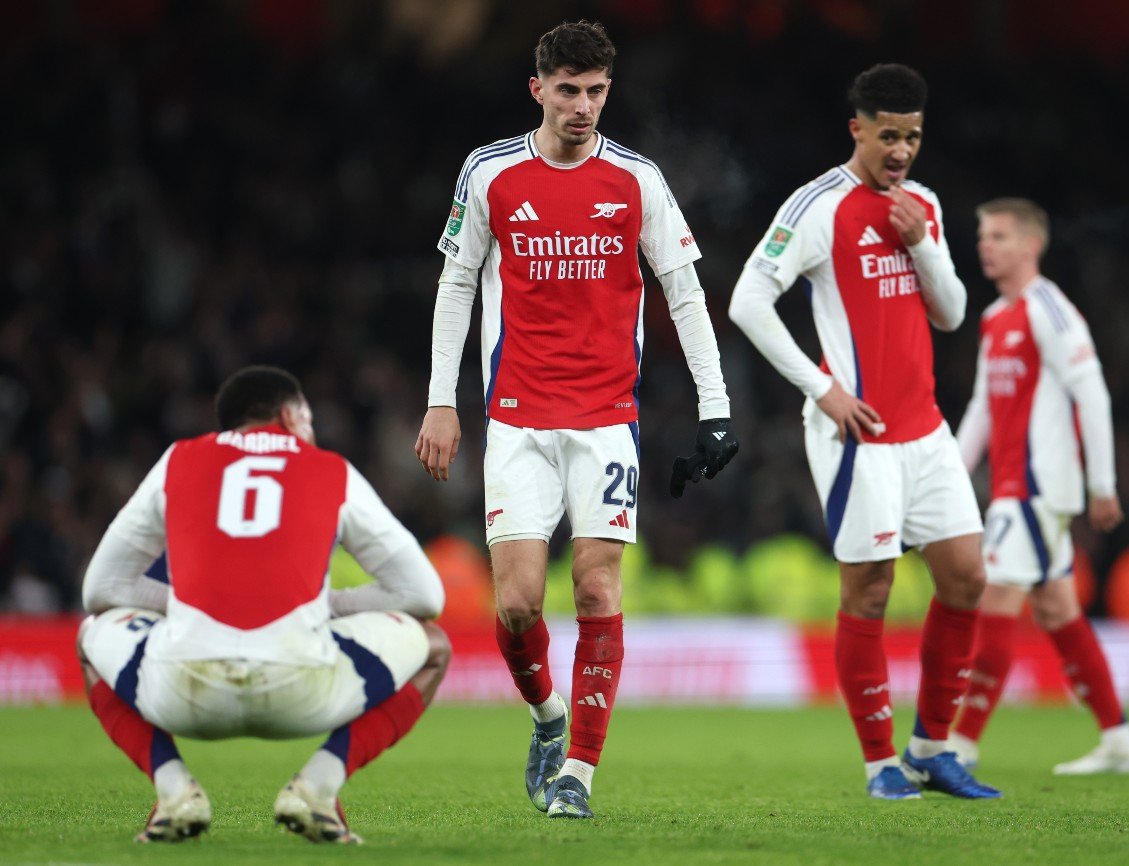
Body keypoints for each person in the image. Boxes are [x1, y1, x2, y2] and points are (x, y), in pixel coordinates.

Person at [414, 20, 738, 819]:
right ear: (538, 90)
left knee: (596, 587)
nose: (583, 106)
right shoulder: (491, 172)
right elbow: (457, 284)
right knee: (518, 605)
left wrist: (716, 406)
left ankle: (579, 776)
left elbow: (684, 291)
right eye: (568, 90)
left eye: (595, 91)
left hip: (605, 418)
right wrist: (441, 399)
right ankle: (547, 717)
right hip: (517, 419)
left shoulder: (637, 179)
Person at [728, 63, 999, 800]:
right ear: (858, 129)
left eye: (913, 136)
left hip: (926, 430)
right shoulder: (818, 206)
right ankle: (881, 764)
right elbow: (748, 301)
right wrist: (823, 390)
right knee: (870, 590)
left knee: (967, 578)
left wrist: (923, 243)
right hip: (859, 437)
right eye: (888, 136)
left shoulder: (922, 205)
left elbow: (951, 314)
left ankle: (931, 749)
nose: (901, 150)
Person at [78, 366, 450, 844]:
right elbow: (425, 595)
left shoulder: (177, 460)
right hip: (304, 691)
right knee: (434, 646)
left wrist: (183, 604)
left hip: (184, 693)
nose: (310, 432)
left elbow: (101, 588)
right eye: (308, 419)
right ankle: (317, 787)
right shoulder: (332, 470)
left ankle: (174, 791)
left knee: (88, 636)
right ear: (289, 416)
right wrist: (328, 605)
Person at [948, 198, 1129, 774]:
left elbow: (1093, 395)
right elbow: (983, 406)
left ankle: (961, 743)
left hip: (1036, 490)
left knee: (995, 602)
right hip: (1014, 487)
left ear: (1032, 245)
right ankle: (1119, 738)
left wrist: (1102, 485)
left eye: (999, 236)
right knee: (1059, 612)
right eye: (984, 236)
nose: (986, 246)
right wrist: (951, 477)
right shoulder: (994, 318)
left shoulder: (1050, 310)